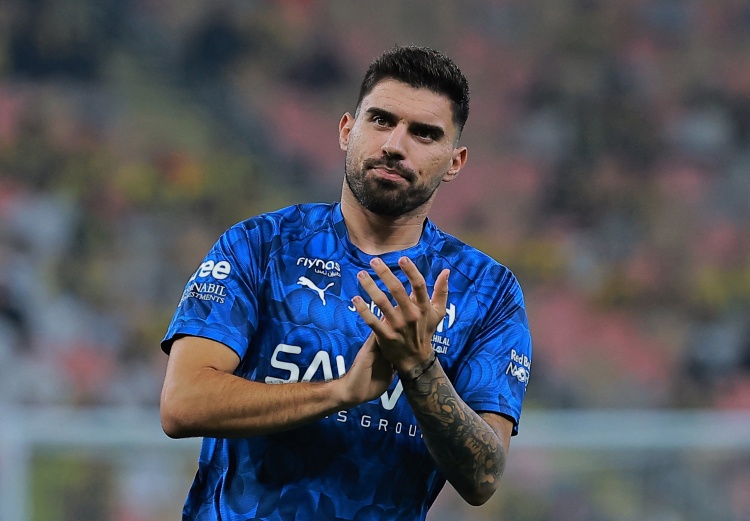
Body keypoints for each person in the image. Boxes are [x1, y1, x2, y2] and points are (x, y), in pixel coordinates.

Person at [160, 45, 532, 521]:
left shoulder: (488, 292)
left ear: (455, 162)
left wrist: (419, 368)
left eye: (424, 133)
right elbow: (182, 404)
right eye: (381, 120)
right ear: (346, 130)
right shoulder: (260, 245)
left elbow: (483, 478)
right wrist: (340, 392)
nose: (395, 144)